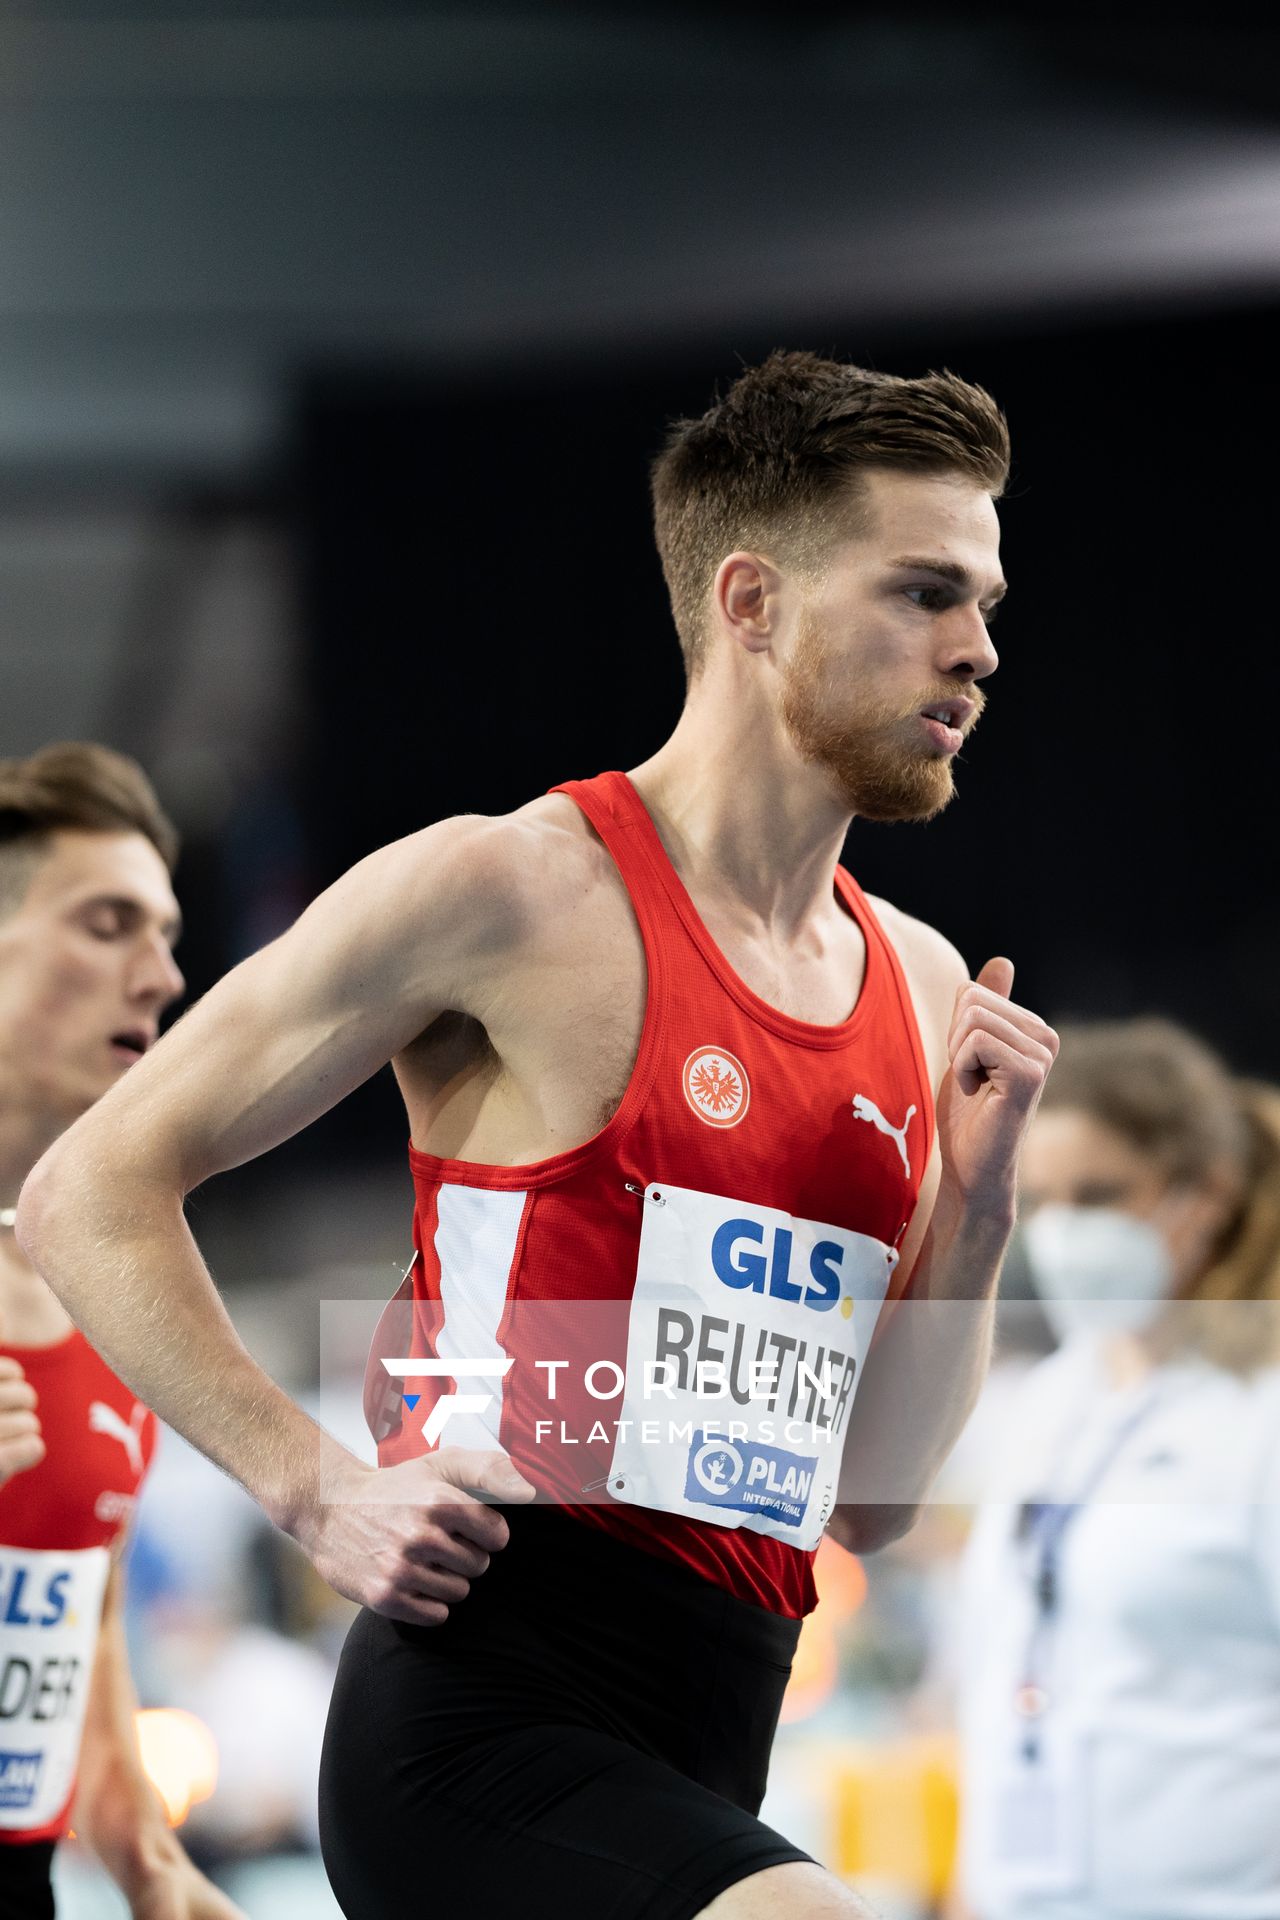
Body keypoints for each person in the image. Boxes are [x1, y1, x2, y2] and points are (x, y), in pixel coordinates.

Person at [16, 352, 1058, 1920]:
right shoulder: (508, 894)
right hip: (480, 1723)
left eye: (984, 601)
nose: (976, 651)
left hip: (718, 1736)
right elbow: (90, 1183)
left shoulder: (916, 987)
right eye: (925, 594)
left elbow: (876, 1497)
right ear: (752, 601)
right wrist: (316, 1488)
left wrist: (972, 1221)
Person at [952, 1018, 1280, 1919]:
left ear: (1204, 1199)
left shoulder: (1262, 1415)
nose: (1062, 1232)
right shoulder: (1049, 1401)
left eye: (1098, 1195)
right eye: (1043, 1199)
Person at [0, 744, 243, 1920]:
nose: (161, 977)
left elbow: (69, 1608)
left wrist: (154, 1870)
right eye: (108, 926)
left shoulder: (109, 1287)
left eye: (165, 933)